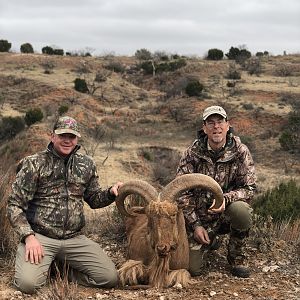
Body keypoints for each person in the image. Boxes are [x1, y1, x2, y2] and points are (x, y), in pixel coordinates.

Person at [7, 116, 123, 294]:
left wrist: (111, 193)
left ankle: (59, 270)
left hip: (74, 239)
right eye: (63, 135)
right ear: (52, 136)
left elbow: (93, 198)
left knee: (108, 278)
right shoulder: (34, 163)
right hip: (41, 237)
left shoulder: (86, 164)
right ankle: (38, 263)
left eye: (72, 136)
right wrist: (29, 237)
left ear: (77, 138)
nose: (67, 140)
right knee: (27, 285)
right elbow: (15, 205)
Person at [176, 105, 256, 278]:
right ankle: (211, 241)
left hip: (227, 214)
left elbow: (249, 189)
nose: (216, 127)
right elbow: (181, 193)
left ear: (228, 125)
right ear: (204, 128)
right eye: (210, 123)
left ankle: (237, 257)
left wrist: (225, 200)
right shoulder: (191, 154)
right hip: (201, 219)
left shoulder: (241, 151)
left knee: (241, 211)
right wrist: (195, 225)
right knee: (193, 269)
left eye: (220, 122)